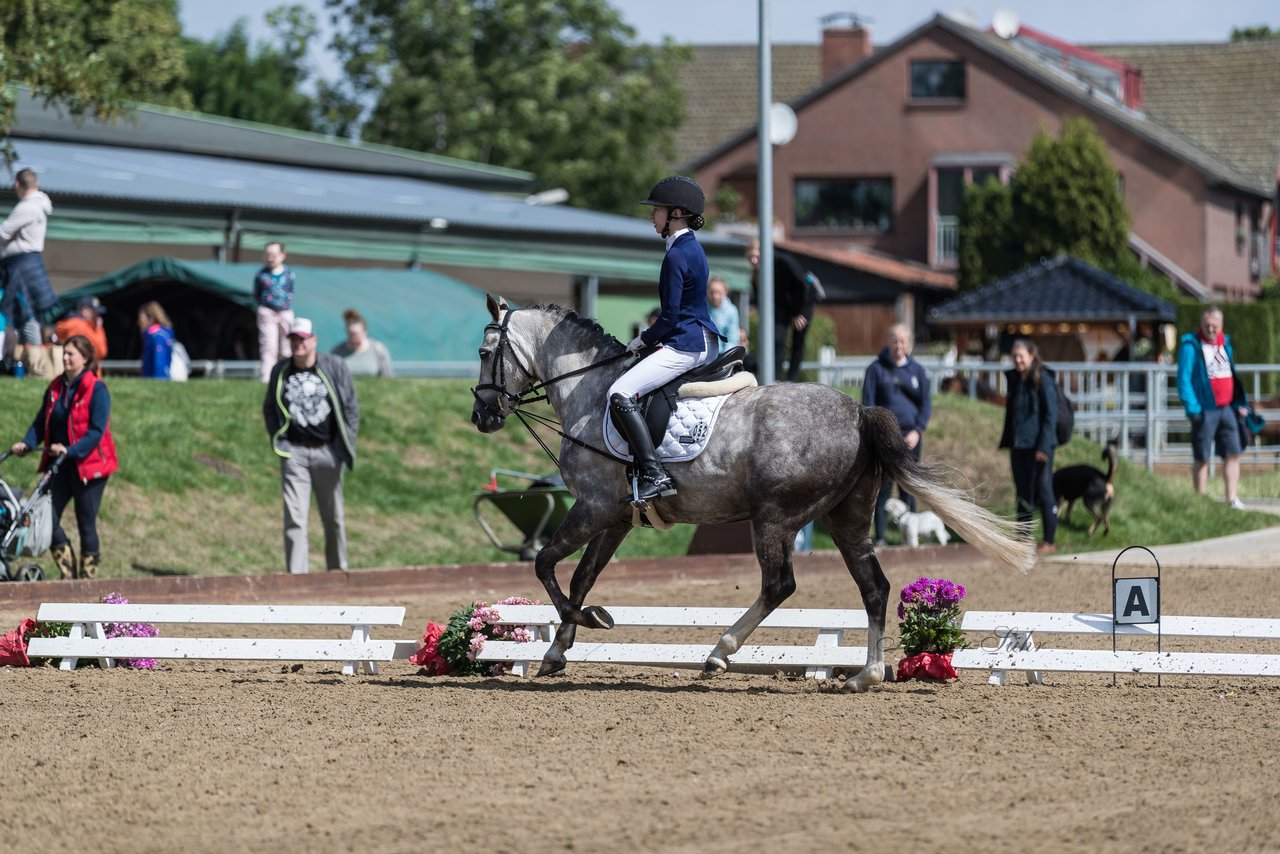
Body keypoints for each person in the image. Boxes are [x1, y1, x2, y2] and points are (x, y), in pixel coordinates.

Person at [609, 175, 720, 503]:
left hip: (687, 343)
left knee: (620, 391)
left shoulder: (676, 256)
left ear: (675, 214)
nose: (651, 216)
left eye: (656, 211)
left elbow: (670, 316)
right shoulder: (691, 248)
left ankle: (655, 474)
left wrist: (642, 340)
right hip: (701, 337)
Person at [10, 335, 118, 579]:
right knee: (48, 519)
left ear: (85, 358)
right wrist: (27, 443)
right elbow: (41, 422)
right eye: (64, 353)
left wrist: (71, 450)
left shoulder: (96, 388)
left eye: (71, 353)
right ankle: (68, 576)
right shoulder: (56, 387)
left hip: (88, 466)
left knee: (85, 522)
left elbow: (97, 432)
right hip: (59, 465)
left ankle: (87, 580)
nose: (66, 357)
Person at [263, 317, 359, 574]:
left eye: (302, 339)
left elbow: (350, 407)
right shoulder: (280, 370)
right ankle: (297, 579)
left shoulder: (334, 366)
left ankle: (337, 573)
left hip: (328, 451)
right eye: (293, 339)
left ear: (314, 340)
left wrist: (343, 445)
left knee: (334, 518)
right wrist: (280, 442)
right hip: (294, 452)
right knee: (295, 517)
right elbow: (270, 408)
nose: (297, 344)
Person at [862, 323, 931, 547]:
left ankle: (909, 537)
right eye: (894, 340)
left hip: (911, 437)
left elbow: (926, 403)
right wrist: (881, 433)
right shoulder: (875, 369)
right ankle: (881, 536)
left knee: (908, 486)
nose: (898, 346)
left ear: (908, 344)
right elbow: (868, 404)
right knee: (882, 487)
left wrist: (918, 430)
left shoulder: (917, 371)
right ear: (888, 342)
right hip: (885, 438)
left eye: (902, 341)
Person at [1177, 306, 1250, 509]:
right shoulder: (1191, 346)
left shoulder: (1225, 344)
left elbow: (1231, 373)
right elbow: (1184, 379)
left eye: (1214, 325)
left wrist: (1240, 401)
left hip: (1227, 408)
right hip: (1204, 409)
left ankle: (1231, 498)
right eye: (1207, 324)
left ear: (1221, 325)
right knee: (1202, 456)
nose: (1210, 328)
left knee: (1233, 453)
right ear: (1201, 325)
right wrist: (1193, 409)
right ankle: (1200, 501)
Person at [998, 338, 1059, 555]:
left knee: (1044, 491)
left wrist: (1043, 445)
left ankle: (1049, 540)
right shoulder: (1015, 380)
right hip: (1019, 446)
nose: (1017, 360)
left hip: (1040, 446)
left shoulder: (1043, 379)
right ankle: (1023, 538)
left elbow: (1051, 415)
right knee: (1023, 492)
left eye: (1021, 355)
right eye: (1014, 356)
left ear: (1032, 356)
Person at [0, 169, 58, 355]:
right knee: (26, 313)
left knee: (25, 314)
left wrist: (11, 238)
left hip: (20, 266)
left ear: (17, 184)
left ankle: (35, 358)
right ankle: (28, 358)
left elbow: (3, 232)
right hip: (27, 265)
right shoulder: (39, 204)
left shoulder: (27, 206)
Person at [746, 238, 814, 382]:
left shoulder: (783, 261)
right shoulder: (756, 274)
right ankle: (776, 377)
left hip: (802, 302)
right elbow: (759, 296)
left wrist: (797, 312)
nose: (753, 260)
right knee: (776, 338)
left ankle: (791, 378)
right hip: (781, 306)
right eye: (750, 257)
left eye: (756, 256)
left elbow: (801, 286)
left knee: (798, 340)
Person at [255, 241, 296, 382]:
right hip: (267, 311)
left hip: (285, 312)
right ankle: (267, 378)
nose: (270, 258)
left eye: (273, 254)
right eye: (267, 255)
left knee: (287, 347)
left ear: (282, 255)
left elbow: (291, 291)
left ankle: (288, 375)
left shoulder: (289, 274)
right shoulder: (261, 274)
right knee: (268, 346)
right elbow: (257, 293)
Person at [330, 308, 394, 377]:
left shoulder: (378, 350)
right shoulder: (337, 352)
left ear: (364, 331)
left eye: (356, 334)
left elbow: (388, 378)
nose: (353, 338)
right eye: (350, 334)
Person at [54, 296, 109, 364]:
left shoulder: (72, 323)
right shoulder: (80, 326)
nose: (98, 317)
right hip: (84, 372)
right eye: (95, 313)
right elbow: (101, 352)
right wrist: (98, 329)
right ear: (85, 310)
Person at [137, 301, 175, 380]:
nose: (139, 323)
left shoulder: (157, 336)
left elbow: (159, 363)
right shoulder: (158, 334)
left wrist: (158, 380)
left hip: (157, 379)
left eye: (141, 319)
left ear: (150, 318)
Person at [706, 275, 740, 355]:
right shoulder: (703, 308)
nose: (715, 296)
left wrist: (724, 359)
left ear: (725, 292)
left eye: (719, 292)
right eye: (712, 292)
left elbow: (732, 339)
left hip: (722, 355)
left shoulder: (731, 311)